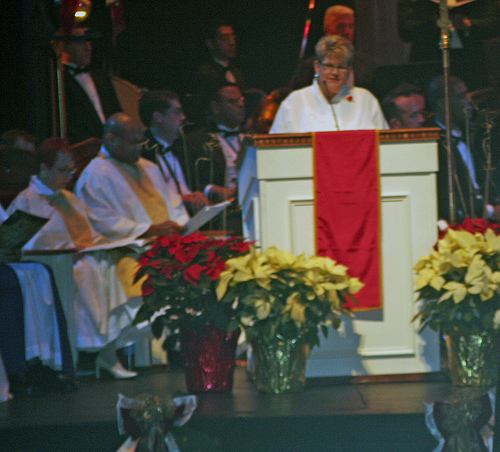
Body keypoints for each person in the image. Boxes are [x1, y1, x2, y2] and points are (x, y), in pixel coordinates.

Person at [6, 137, 146, 380]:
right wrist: (69, 249)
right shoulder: (27, 200)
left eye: (71, 170)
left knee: (107, 264)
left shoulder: (69, 198)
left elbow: (90, 232)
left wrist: (101, 243)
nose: (69, 176)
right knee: (90, 270)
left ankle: (108, 352)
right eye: (62, 170)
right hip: (51, 266)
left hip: (79, 259)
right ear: (44, 168)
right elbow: (25, 244)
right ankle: (75, 357)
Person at [75, 112, 188, 241]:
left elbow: (174, 204)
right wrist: (150, 230)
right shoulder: (95, 175)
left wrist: (181, 228)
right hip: (131, 247)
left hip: (169, 242)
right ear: (111, 139)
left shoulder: (149, 167)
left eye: (141, 142)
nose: (140, 148)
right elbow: (102, 221)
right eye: (134, 142)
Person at [269, 35, 387, 134]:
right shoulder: (295, 101)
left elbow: (384, 142)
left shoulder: (365, 100)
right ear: (317, 67)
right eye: (329, 66)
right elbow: (276, 147)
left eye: (341, 67)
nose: (335, 72)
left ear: (349, 71)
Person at [183, 82, 253, 233]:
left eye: (241, 100)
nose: (240, 105)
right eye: (232, 101)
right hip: (223, 212)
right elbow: (188, 181)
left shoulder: (254, 138)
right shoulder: (196, 141)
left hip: (253, 201)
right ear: (215, 107)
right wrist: (212, 189)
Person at [398, 0, 500, 91]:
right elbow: (405, 30)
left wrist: (469, 24)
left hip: (470, 61)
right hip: (429, 59)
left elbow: (494, 24)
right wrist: (436, 24)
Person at [427, 74, 488, 221]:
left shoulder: (471, 135)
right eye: (462, 96)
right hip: (460, 221)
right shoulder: (434, 144)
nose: (469, 100)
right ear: (443, 104)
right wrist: (490, 210)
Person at [138, 90, 209, 215]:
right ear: (158, 117)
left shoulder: (185, 146)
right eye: (177, 112)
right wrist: (182, 199)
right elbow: (145, 196)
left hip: (193, 215)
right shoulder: (143, 152)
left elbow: (196, 182)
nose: (183, 117)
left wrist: (199, 194)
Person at [55, 27, 122, 144]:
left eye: (89, 42)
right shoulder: (59, 80)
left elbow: (115, 110)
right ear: (65, 47)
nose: (88, 48)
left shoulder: (101, 77)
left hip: (110, 144)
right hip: (81, 146)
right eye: (81, 43)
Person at [290, 5, 355, 91]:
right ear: (326, 29)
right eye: (340, 26)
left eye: (351, 26)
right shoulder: (307, 69)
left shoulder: (367, 67)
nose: (347, 32)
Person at [191, 20, 245, 96]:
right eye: (225, 38)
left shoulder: (237, 71)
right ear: (210, 43)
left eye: (233, 37)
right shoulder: (205, 73)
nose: (232, 42)